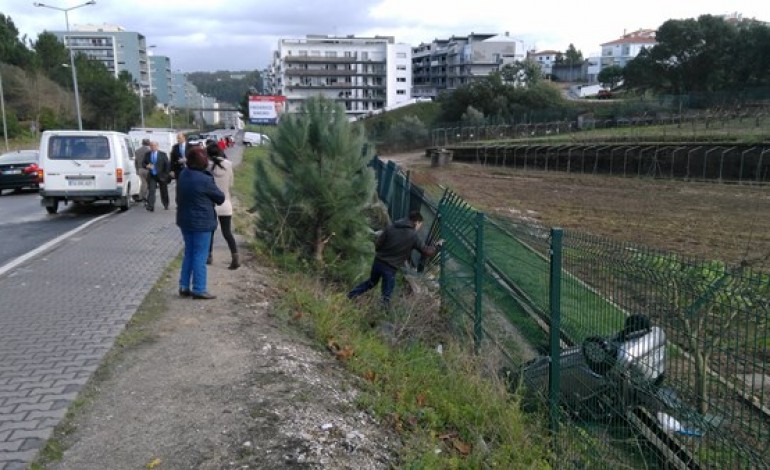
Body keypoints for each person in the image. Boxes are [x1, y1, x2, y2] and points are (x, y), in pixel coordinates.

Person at [347, 210, 442, 306]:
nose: (419, 227)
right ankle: (381, 314)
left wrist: (383, 253)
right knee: (386, 295)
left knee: (371, 282)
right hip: (390, 268)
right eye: (420, 225)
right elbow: (426, 251)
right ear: (416, 222)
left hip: (378, 262)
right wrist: (437, 246)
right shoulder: (413, 236)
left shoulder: (391, 227)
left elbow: (378, 244)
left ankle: (351, 295)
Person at [176, 147, 225, 300]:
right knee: (200, 255)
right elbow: (220, 198)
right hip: (202, 223)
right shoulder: (205, 179)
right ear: (203, 162)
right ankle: (199, 288)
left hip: (185, 220)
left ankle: (184, 286)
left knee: (189, 253)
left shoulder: (183, 175)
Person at [206, 143, 239, 270]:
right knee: (227, 233)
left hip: (211, 204)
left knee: (210, 232)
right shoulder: (229, 164)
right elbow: (231, 184)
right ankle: (235, 256)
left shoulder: (207, 166)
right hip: (225, 203)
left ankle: (209, 256)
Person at [142, 141, 171, 211]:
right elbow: (143, 163)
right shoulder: (147, 154)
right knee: (151, 190)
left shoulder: (163, 154)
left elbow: (167, 165)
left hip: (161, 175)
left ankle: (166, 204)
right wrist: (147, 166)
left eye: (154, 146)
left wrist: (166, 175)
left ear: (157, 146)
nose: (152, 147)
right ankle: (151, 206)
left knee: (163, 191)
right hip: (152, 175)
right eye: (151, 146)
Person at [133, 138, 151, 202]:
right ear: (148, 143)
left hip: (140, 169)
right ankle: (145, 196)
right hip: (148, 169)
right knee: (148, 184)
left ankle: (141, 196)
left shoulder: (137, 151)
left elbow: (135, 161)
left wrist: (137, 169)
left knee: (143, 183)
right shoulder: (149, 151)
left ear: (142, 143)